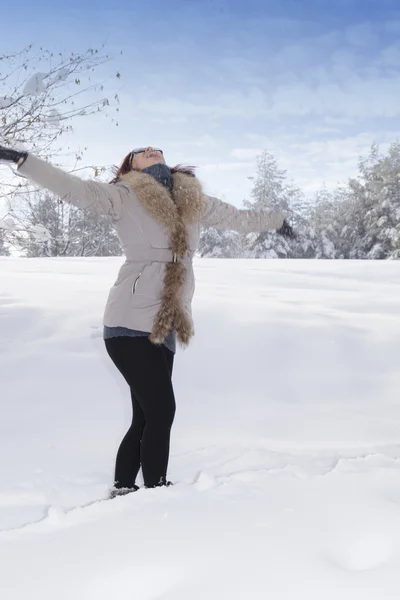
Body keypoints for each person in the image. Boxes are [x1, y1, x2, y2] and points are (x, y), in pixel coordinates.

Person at [0, 144, 294, 498]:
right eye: (143, 150)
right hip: (128, 319)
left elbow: (239, 218)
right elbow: (70, 187)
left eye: (158, 149)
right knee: (162, 409)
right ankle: (157, 491)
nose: (153, 151)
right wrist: (22, 160)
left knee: (146, 415)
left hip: (167, 322)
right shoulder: (122, 195)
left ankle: (125, 489)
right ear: (131, 164)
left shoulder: (193, 200)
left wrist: (277, 221)